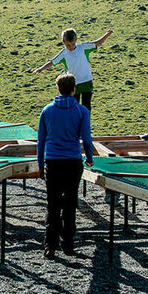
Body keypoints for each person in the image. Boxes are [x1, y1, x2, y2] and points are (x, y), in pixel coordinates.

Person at [37, 73, 94, 260]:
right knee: (70, 203)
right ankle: (68, 244)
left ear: (58, 88)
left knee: (52, 203)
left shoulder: (47, 110)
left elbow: (41, 141)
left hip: (52, 161)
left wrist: (40, 164)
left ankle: (49, 244)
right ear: (73, 89)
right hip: (72, 161)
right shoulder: (81, 111)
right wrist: (90, 157)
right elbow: (86, 139)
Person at [31, 27, 113, 112]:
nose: (70, 47)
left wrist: (107, 34)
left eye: (73, 44)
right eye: (68, 45)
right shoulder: (63, 54)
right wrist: (41, 69)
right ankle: (75, 123)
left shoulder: (83, 47)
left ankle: (86, 123)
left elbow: (98, 43)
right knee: (74, 107)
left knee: (86, 106)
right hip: (73, 84)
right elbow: (52, 62)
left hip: (87, 81)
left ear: (76, 40)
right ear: (63, 42)